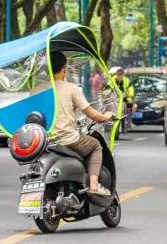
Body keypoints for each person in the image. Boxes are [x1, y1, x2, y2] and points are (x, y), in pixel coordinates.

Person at [46, 51, 114, 196]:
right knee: (96, 145)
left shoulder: (36, 91)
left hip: (45, 141)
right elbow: (93, 114)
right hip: (68, 139)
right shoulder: (72, 88)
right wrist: (106, 116)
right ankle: (94, 185)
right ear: (64, 68)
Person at [110, 66, 136, 135]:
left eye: (121, 74)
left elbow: (131, 91)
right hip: (114, 100)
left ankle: (130, 120)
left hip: (125, 100)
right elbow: (108, 88)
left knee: (135, 106)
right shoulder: (112, 80)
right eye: (118, 74)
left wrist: (129, 94)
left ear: (123, 75)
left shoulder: (127, 81)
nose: (120, 76)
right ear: (116, 75)